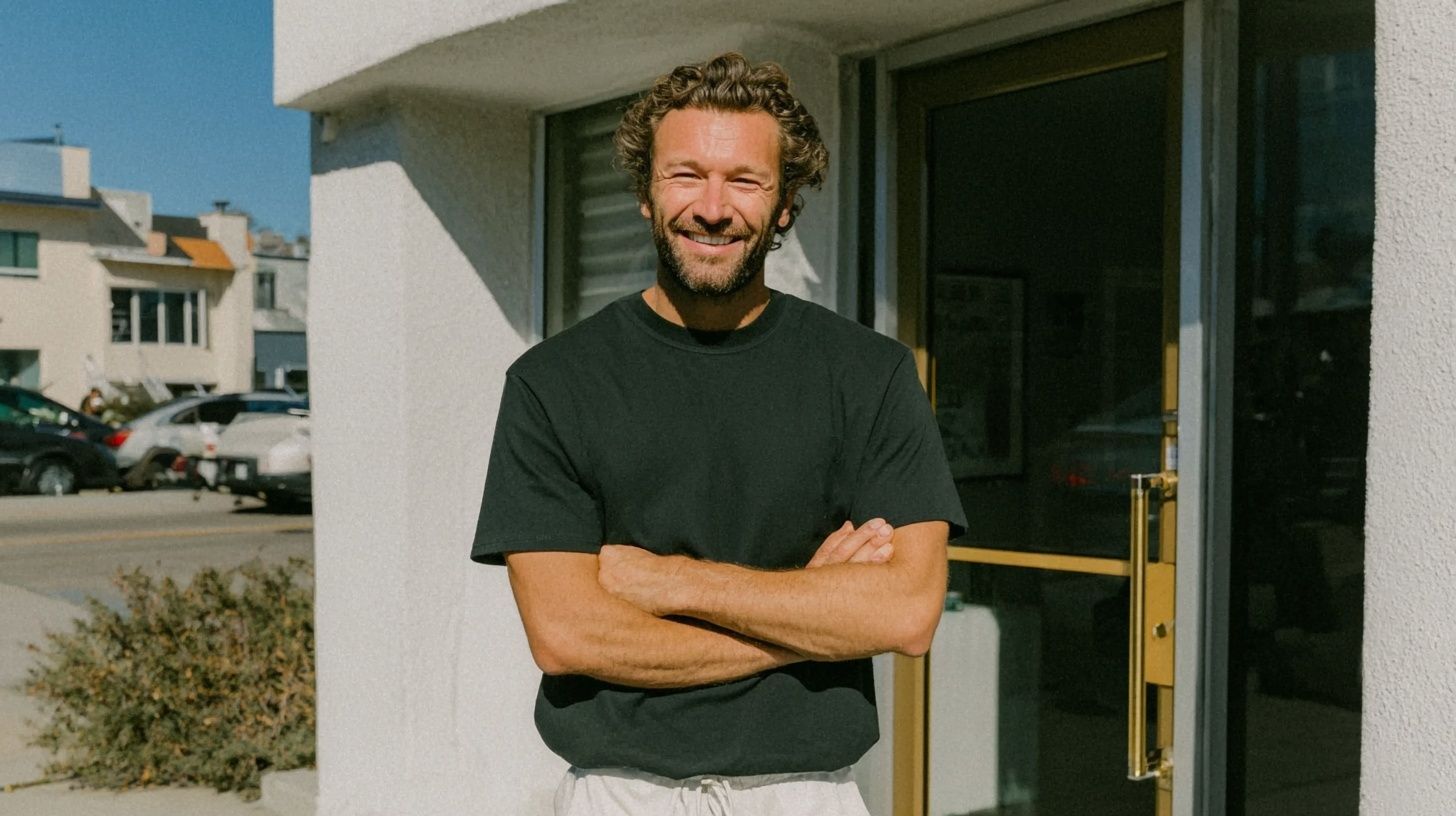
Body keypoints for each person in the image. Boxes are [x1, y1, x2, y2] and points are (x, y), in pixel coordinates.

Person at [472, 52, 966, 815]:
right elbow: (568, 637)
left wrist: (667, 581)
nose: (712, 206)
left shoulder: (869, 375)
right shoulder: (553, 384)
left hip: (807, 795)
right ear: (645, 192)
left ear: (787, 203)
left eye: (745, 181)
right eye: (685, 175)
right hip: (619, 794)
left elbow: (904, 613)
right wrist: (812, 612)